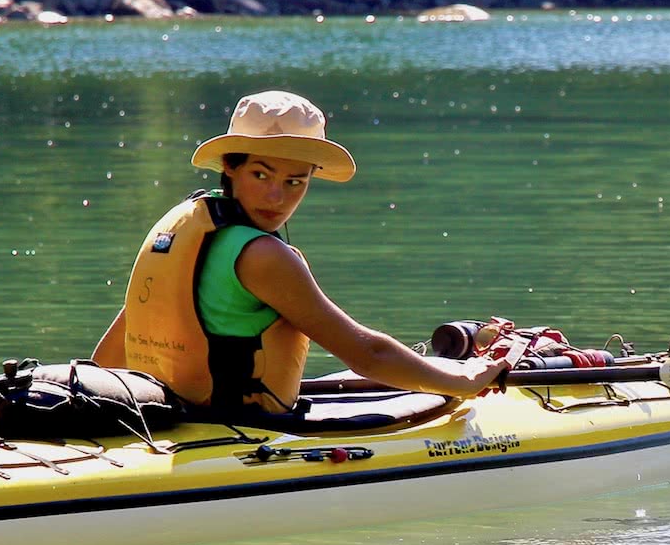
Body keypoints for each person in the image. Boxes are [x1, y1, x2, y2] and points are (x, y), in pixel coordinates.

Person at [92, 90, 513, 415]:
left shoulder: (183, 229)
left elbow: (105, 360)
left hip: (168, 414)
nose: (276, 197)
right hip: (237, 429)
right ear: (230, 168)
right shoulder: (265, 256)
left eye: (296, 182)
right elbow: (368, 355)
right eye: (261, 174)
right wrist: (465, 379)